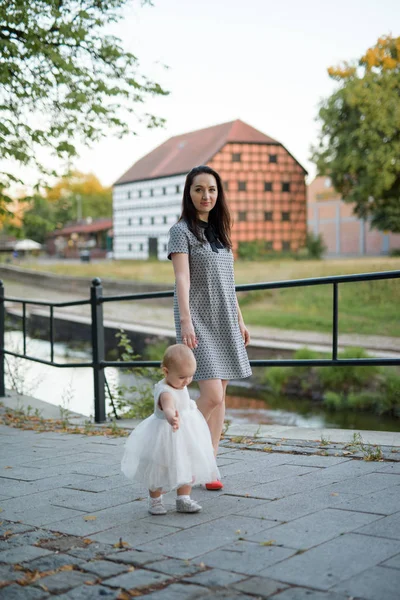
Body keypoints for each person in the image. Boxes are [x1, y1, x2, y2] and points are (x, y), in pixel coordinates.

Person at [167, 165, 252, 491]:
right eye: (199, 189)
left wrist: (241, 321)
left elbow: (228, 284)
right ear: (189, 193)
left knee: (222, 396)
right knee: (211, 395)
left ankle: (209, 464)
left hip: (226, 319)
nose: (206, 196)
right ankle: (181, 450)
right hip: (198, 320)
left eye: (212, 190)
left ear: (219, 194)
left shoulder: (220, 232)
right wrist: (186, 321)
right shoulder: (181, 231)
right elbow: (182, 279)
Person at [121, 344, 219, 515]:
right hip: (164, 435)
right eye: (182, 377)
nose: (187, 381)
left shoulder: (181, 383)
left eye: (190, 376)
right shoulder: (165, 391)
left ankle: (184, 499)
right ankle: (156, 501)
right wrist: (170, 416)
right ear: (166, 372)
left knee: (187, 463)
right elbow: (168, 406)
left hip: (185, 433)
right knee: (159, 467)